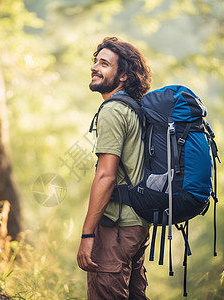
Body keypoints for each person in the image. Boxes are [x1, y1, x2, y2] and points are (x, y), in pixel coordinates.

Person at [76, 37, 152, 300]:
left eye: (104, 63)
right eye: (96, 61)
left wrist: (87, 234)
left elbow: (106, 176)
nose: (95, 67)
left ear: (122, 76)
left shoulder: (112, 111)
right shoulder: (135, 109)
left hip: (116, 228)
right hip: (138, 225)